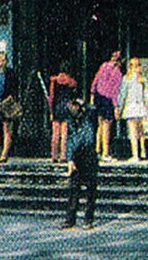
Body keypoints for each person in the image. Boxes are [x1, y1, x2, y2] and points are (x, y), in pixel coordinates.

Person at [61, 97, 99, 230]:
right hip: (77, 155)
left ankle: (88, 218)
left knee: (90, 190)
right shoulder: (71, 121)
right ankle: (70, 218)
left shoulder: (89, 117)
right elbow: (70, 139)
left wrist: (85, 104)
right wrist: (70, 159)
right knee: (73, 189)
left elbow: (94, 109)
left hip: (89, 154)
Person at [89, 51, 123, 161]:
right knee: (107, 126)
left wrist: (92, 94)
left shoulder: (103, 66)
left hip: (99, 96)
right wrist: (116, 107)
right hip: (107, 100)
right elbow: (115, 91)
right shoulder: (117, 73)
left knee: (100, 125)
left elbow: (95, 80)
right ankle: (105, 152)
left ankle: (97, 150)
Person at [118, 57, 148, 162]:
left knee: (133, 132)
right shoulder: (142, 78)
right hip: (140, 107)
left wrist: (119, 107)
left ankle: (135, 154)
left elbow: (122, 95)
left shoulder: (127, 78)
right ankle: (143, 150)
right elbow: (146, 94)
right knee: (141, 131)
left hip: (131, 107)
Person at [47, 64, 79, 162]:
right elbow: (74, 92)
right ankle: (63, 155)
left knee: (55, 133)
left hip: (57, 106)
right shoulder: (71, 81)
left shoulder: (54, 81)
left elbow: (51, 97)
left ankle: (54, 155)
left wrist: (50, 110)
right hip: (67, 106)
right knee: (65, 134)